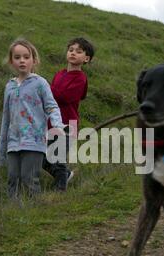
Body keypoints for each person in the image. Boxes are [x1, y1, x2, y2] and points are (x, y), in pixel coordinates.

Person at [0, 39, 65, 201]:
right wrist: (2, 150)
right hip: (13, 143)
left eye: (26, 57)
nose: (22, 60)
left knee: (29, 179)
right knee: (12, 179)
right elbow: (5, 119)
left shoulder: (40, 83)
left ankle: (36, 213)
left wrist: (58, 125)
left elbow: (52, 107)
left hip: (34, 141)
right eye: (17, 57)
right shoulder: (9, 87)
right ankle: (14, 214)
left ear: (34, 60)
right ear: (11, 61)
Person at [43, 37, 95, 191]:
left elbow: (64, 97)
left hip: (67, 125)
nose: (73, 53)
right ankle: (65, 175)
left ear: (86, 59)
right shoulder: (60, 74)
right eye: (71, 50)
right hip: (50, 123)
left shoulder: (80, 78)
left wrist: (45, 88)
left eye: (78, 52)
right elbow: (49, 98)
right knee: (41, 157)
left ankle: (59, 191)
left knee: (57, 160)